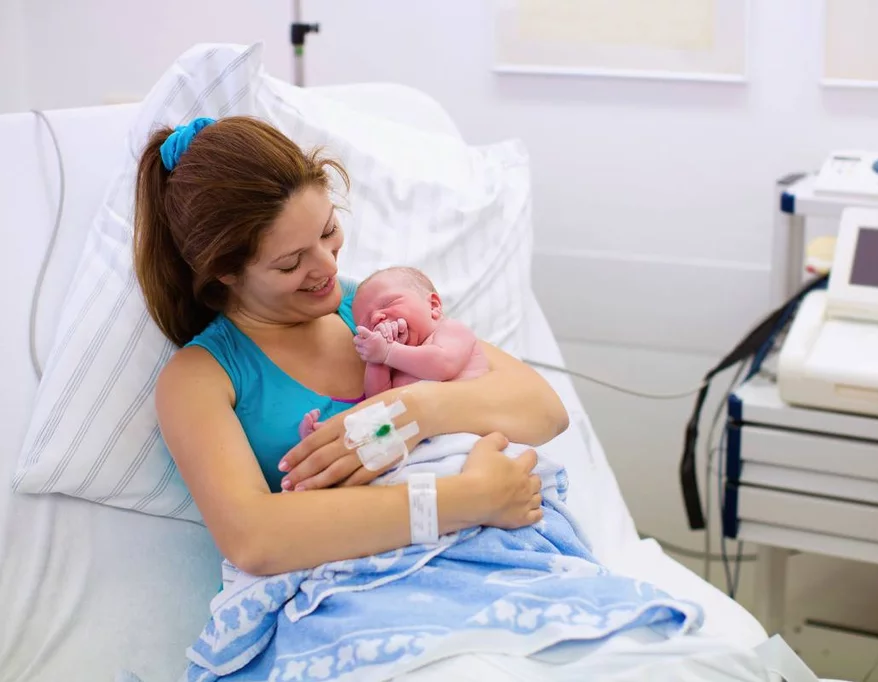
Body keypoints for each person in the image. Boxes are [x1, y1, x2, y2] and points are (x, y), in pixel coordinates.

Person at [132, 115, 569, 577]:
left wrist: (409, 413)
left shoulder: (375, 307)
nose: (326, 266)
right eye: (290, 263)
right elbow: (252, 539)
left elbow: (544, 410)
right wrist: (463, 501)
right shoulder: (201, 377)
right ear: (225, 271)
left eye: (327, 231)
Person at [297, 265, 488, 439]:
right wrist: (375, 361)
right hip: (421, 448)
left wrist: (388, 352)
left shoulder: (451, 330)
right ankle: (326, 437)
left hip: (467, 435)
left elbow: (443, 365)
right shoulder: (393, 362)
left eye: (387, 304)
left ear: (434, 306)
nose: (377, 317)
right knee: (376, 440)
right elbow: (378, 403)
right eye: (366, 323)